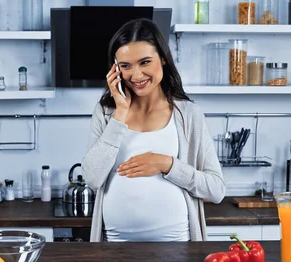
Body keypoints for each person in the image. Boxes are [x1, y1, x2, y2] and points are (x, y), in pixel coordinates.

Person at [81, 18, 226, 242]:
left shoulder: (188, 114)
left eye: (145, 62)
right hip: (114, 246)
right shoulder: (106, 112)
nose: (136, 76)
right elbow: (92, 178)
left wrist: (167, 164)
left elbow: (216, 190)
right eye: (126, 66)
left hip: (177, 245)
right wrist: (120, 113)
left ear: (164, 59)